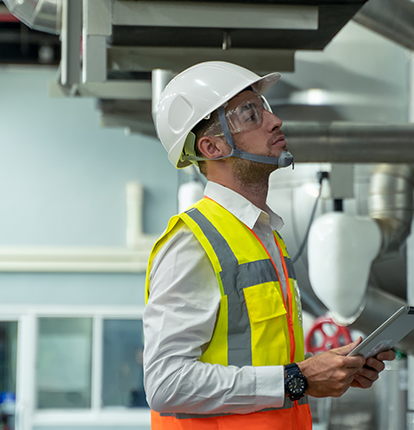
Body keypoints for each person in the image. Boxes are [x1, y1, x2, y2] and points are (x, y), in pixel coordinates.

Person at [144, 61, 396, 430]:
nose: (272, 121)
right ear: (211, 146)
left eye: (264, 108)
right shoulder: (192, 243)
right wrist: (299, 378)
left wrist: (325, 369)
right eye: (249, 114)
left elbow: (262, 368)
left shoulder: (265, 238)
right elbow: (167, 385)